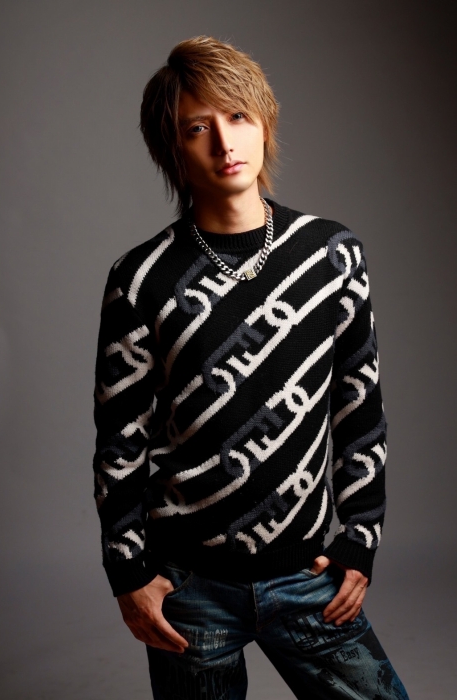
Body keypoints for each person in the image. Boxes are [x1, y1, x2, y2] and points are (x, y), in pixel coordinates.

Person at [92, 35, 409, 700]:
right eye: (196, 128)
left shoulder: (331, 256)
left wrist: (360, 538)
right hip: (189, 588)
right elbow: (121, 441)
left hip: (310, 579)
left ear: (264, 122)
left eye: (237, 117)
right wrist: (127, 574)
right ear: (172, 148)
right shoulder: (140, 279)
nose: (223, 142)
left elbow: (360, 410)